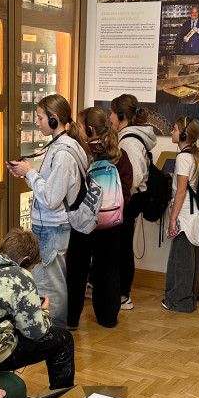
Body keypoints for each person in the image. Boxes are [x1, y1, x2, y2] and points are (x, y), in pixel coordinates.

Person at [6, 94, 86, 328]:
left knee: (50, 284)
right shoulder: (61, 146)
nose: (37, 123)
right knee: (48, 280)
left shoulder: (63, 154)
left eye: (40, 118)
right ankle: (52, 329)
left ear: (54, 119)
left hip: (52, 226)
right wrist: (26, 173)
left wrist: (30, 173)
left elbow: (51, 199)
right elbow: (51, 187)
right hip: (51, 225)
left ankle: (55, 331)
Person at [0, 228, 74, 389]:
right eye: (31, 268)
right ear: (25, 261)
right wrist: (44, 312)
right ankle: (62, 397)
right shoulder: (19, 275)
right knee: (64, 339)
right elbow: (36, 332)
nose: (29, 271)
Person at [66, 107, 131, 329]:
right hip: (111, 223)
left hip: (83, 223)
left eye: (80, 126)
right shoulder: (119, 155)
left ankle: (71, 320)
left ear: (90, 129)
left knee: (76, 271)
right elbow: (126, 189)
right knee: (109, 269)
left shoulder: (80, 154)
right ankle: (108, 318)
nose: (78, 129)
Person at [110, 94, 158, 310]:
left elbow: (134, 176)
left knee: (122, 248)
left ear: (121, 116)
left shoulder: (129, 141)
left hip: (129, 200)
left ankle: (123, 295)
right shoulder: (131, 137)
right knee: (121, 246)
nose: (110, 118)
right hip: (131, 199)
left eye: (112, 113)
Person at [164, 117, 199, 313]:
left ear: (183, 135)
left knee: (180, 260)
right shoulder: (196, 156)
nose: (171, 132)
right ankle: (188, 299)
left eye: (174, 129)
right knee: (191, 260)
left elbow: (181, 192)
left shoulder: (183, 158)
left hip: (184, 215)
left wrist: (173, 219)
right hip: (196, 214)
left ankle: (179, 302)